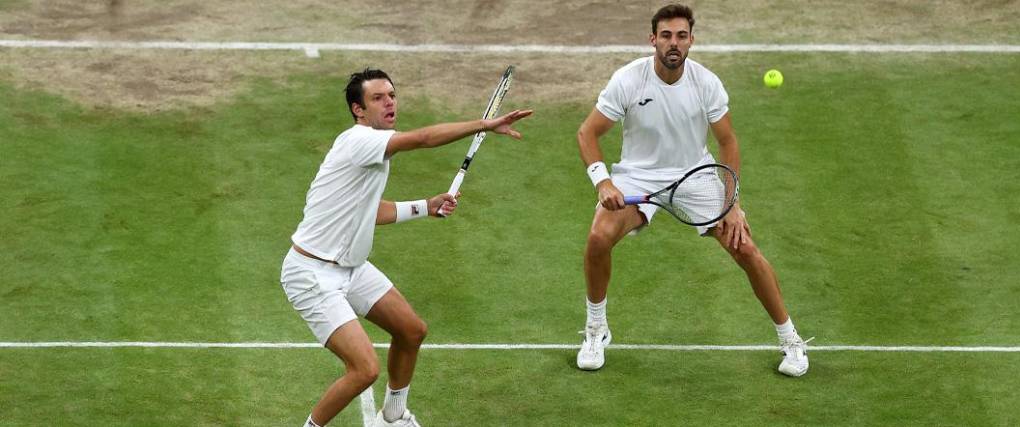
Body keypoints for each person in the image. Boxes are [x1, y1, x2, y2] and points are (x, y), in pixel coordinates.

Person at [282, 68, 532, 427]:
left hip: (350, 268)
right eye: (378, 98)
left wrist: (424, 206)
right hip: (312, 274)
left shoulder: (370, 149)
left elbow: (369, 211)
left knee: (411, 331)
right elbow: (425, 138)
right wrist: (484, 125)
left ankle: (393, 418)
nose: (389, 103)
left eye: (392, 95)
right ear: (358, 109)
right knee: (364, 369)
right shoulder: (359, 141)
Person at [574, 4, 810, 377]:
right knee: (598, 238)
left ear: (691, 41)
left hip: (695, 176)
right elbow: (587, 132)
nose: (674, 43)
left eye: (681, 36)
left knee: (744, 247)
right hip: (639, 176)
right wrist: (603, 180)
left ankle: (791, 340)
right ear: (653, 39)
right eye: (666, 35)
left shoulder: (706, 83)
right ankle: (596, 330)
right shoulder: (628, 79)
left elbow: (728, 143)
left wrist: (732, 204)